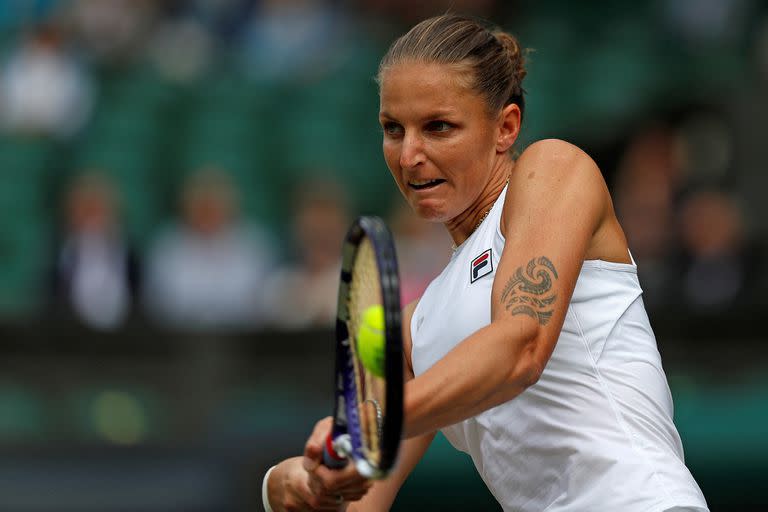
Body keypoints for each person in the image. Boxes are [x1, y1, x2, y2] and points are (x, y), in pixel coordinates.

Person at [262, 14, 709, 512]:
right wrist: (292, 487)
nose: (409, 154)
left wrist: (373, 427)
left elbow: (520, 347)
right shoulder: (412, 333)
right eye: (393, 129)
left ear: (506, 127)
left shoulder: (553, 169)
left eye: (439, 127)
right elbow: (361, 501)